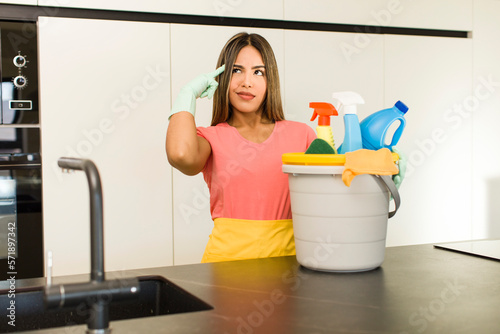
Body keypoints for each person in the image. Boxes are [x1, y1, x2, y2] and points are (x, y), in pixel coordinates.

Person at [166, 32, 316, 263]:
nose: (247, 81)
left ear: (270, 81)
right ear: (223, 77)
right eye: (237, 70)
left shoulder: (302, 135)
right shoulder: (211, 138)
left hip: (290, 266)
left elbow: (331, 196)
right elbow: (180, 154)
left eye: (258, 72)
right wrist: (188, 95)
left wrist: (379, 174)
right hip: (225, 269)